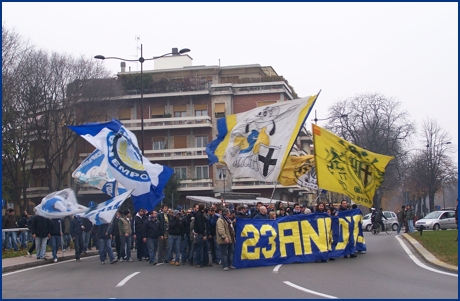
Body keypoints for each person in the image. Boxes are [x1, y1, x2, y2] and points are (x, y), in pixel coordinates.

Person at [194, 203, 207, 268]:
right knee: (199, 249)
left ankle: (201, 261)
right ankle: (198, 262)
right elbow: (200, 225)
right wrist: (203, 234)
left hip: (199, 233)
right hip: (200, 234)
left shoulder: (199, 214)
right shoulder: (199, 215)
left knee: (201, 248)